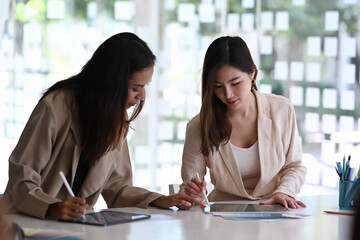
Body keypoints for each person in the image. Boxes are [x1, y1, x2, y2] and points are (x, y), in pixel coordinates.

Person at [1, 32, 202, 220]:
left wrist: (161, 200)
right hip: (25, 223)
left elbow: (118, 189)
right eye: (135, 88)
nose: (141, 97)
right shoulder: (56, 107)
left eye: (144, 88)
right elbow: (22, 178)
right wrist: (52, 207)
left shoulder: (116, 119)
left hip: (72, 229)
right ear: (112, 81)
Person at [180, 36, 307, 209]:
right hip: (223, 216)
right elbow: (190, 183)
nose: (228, 93)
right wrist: (192, 192)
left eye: (235, 83)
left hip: (274, 209)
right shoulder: (199, 126)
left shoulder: (281, 110)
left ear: (252, 73)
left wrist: (284, 191)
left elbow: (294, 166)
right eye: (218, 86)